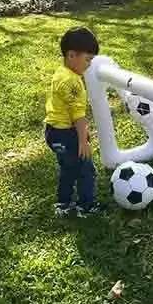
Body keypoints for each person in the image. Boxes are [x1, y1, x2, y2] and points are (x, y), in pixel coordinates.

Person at [45, 27, 102, 219]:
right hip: (68, 135)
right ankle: (86, 206)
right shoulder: (73, 82)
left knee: (68, 168)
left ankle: (63, 203)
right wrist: (83, 141)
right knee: (86, 170)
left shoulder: (61, 73)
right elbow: (78, 116)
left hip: (52, 132)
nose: (88, 65)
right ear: (71, 55)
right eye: (87, 59)